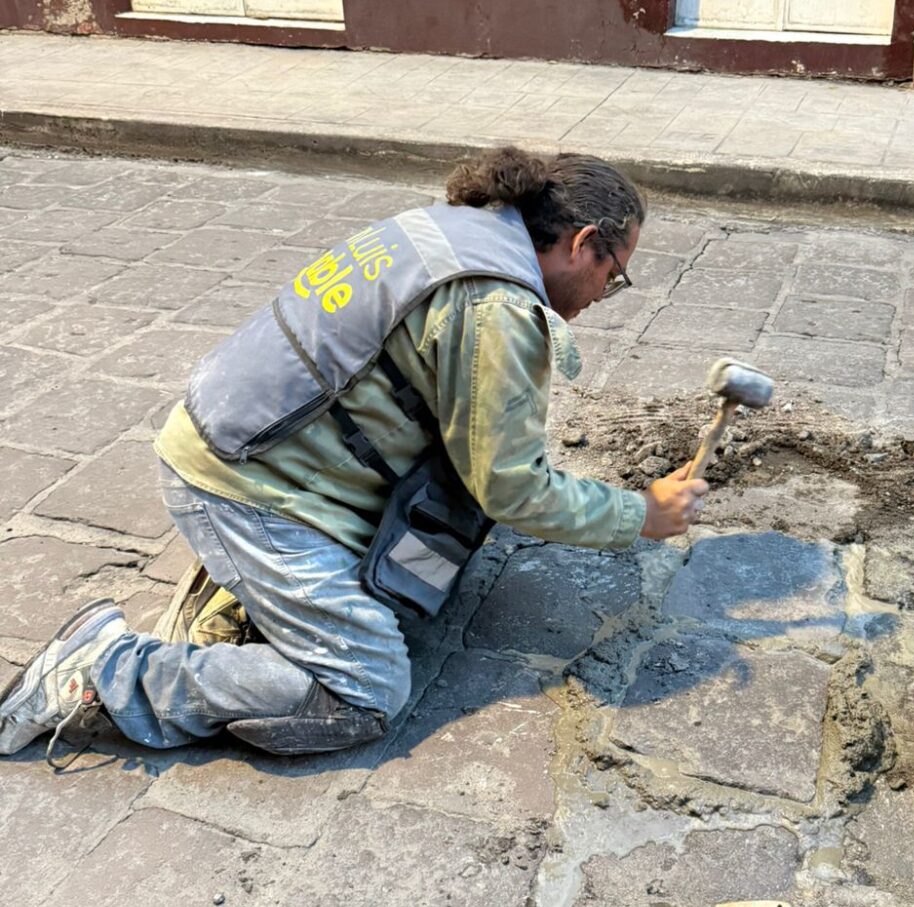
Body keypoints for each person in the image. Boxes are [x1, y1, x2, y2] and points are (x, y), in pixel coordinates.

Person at [0, 148, 709, 766]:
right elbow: (511, 487)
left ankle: (243, 597)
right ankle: (109, 671)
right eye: (614, 276)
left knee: (433, 567)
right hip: (245, 485)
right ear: (582, 243)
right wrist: (638, 514)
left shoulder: (455, 230)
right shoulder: (495, 306)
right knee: (363, 692)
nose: (604, 295)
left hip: (238, 442)